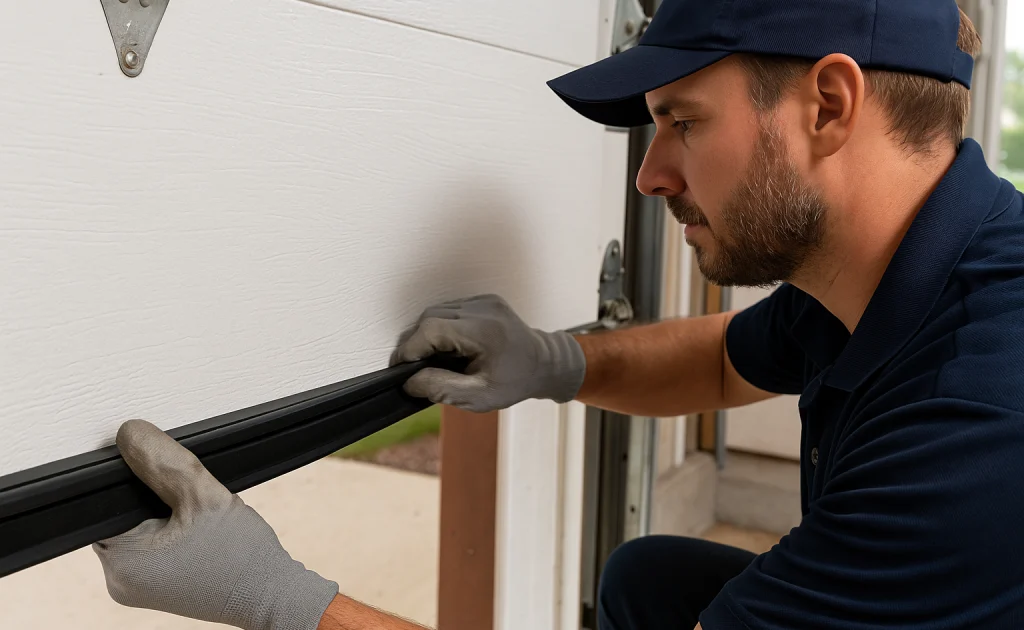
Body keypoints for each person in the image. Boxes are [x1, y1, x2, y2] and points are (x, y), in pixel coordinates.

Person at [93, 0, 1024, 628]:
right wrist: (557, 362)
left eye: (684, 122)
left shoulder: (979, 426)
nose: (652, 175)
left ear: (829, 102)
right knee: (649, 583)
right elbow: (723, 363)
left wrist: (274, 597)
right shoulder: (890, 271)